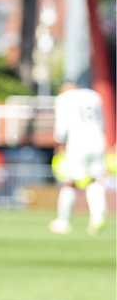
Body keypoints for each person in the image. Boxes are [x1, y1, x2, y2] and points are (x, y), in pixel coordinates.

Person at [49, 81, 107, 235]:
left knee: (70, 182)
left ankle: (63, 221)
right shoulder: (94, 96)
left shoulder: (64, 99)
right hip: (98, 141)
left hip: (77, 143)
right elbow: (102, 122)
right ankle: (97, 218)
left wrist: (60, 147)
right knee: (94, 181)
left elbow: (61, 128)